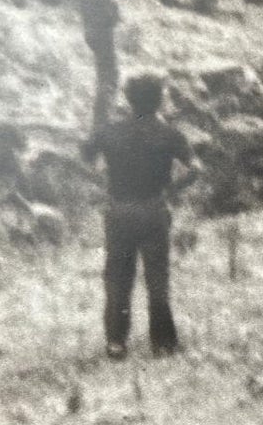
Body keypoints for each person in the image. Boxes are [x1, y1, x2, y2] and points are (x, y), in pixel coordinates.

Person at [82, 73, 200, 360]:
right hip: (153, 208)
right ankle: (162, 342)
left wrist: (102, 179)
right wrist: (171, 191)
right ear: (160, 99)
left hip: (119, 208)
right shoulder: (169, 134)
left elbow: (86, 155)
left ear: (128, 99)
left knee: (118, 277)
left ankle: (116, 342)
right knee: (157, 276)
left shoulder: (110, 131)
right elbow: (196, 168)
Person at [75, 0, 121, 131]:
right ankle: (102, 120)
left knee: (101, 70)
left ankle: (100, 117)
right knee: (109, 74)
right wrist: (116, 17)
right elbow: (113, 0)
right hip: (103, 29)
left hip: (88, 28)